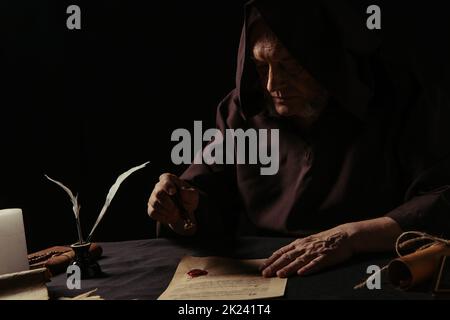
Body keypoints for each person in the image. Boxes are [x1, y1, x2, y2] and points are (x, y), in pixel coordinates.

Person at [148, 1, 450, 278]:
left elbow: (440, 197)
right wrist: (179, 206)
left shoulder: (398, 100)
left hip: (370, 267)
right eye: (260, 66)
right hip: (269, 270)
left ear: (327, 58)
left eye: (289, 66)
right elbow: (205, 194)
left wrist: (352, 237)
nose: (272, 84)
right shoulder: (244, 110)